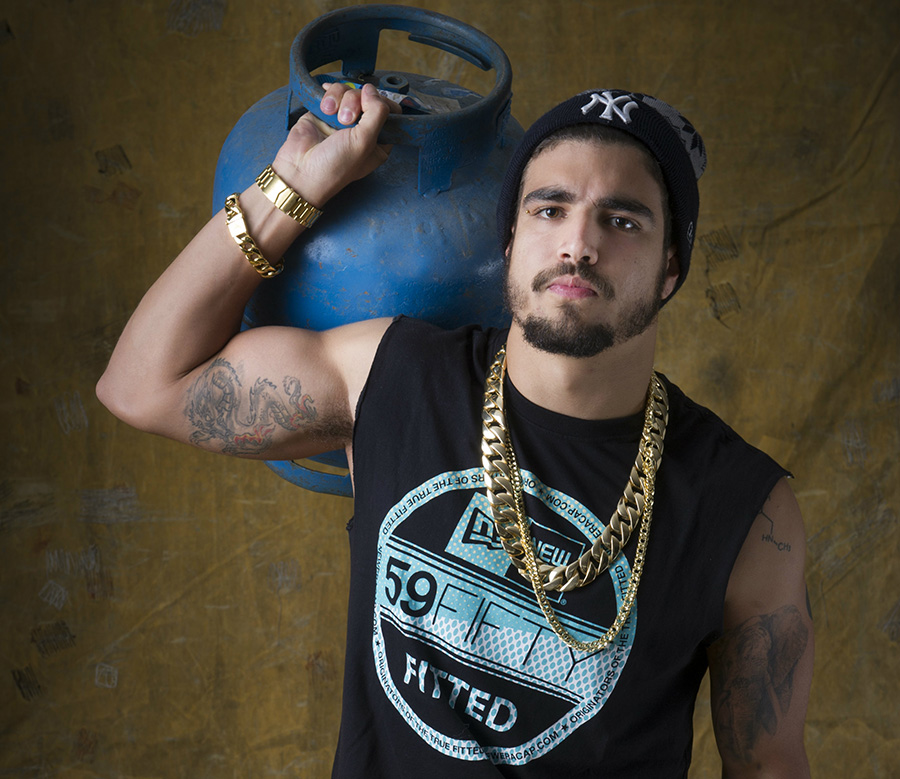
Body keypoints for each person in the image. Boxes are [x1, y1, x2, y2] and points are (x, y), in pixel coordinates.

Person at [97, 82, 814, 777]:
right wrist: (292, 185)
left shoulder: (747, 511)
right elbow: (141, 386)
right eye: (549, 209)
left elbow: (769, 764)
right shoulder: (391, 377)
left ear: (670, 267)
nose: (578, 244)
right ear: (510, 238)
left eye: (623, 221)